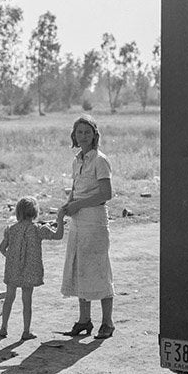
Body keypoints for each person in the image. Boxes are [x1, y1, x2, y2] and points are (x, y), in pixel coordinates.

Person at [60, 114, 115, 338]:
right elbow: (76, 189)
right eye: (79, 132)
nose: (83, 136)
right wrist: (67, 205)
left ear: (94, 135)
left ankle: (107, 323)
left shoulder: (100, 160)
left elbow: (106, 194)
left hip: (94, 220)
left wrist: (79, 204)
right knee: (79, 267)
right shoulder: (77, 160)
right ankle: (84, 320)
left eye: (87, 132)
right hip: (78, 221)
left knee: (98, 269)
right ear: (74, 135)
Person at [0, 196, 64, 341]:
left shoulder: (11, 229)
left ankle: (3, 328)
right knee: (27, 301)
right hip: (30, 270)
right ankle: (26, 331)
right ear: (35, 212)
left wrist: (12, 258)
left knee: (9, 298)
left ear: (18, 212)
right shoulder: (38, 229)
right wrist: (60, 219)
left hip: (13, 270)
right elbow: (58, 236)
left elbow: (2, 248)